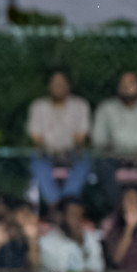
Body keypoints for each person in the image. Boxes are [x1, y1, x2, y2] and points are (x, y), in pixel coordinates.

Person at [27, 69, 91, 206]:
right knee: (36, 161)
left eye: (62, 83)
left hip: (72, 153)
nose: (58, 86)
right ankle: (54, 203)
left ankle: (69, 200)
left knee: (85, 159)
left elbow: (79, 139)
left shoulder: (80, 105)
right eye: (55, 83)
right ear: (49, 86)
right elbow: (37, 139)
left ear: (68, 85)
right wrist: (48, 152)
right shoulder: (38, 106)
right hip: (46, 153)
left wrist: (68, 153)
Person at [35, 198, 102, 272]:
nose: (77, 220)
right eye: (73, 215)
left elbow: (98, 269)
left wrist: (82, 244)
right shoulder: (47, 241)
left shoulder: (89, 239)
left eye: (80, 216)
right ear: (61, 217)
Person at [92, 71, 137, 208]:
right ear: (118, 88)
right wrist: (118, 153)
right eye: (123, 84)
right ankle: (120, 208)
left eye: (131, 83)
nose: (127, 87)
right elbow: (99, 141)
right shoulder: (106, 108)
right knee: (101, 164)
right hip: (115, 158)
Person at [103, 186, 137, 272]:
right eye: (128, 200)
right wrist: (129, 228)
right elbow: (116, 259)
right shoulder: (114, 229)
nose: (132, 203)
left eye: (135, 200)